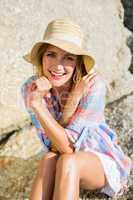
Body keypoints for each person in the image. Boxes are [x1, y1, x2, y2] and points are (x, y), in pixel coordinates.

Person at [21, 19, 132, 200]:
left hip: (99, 159)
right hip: (61, 156)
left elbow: (67, 147)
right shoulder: (31, 88)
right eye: (51, 54)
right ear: (42, 56)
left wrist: (39, 105)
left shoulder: (93, 85)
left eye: (68, 57)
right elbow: (53, 145)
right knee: (49, 159)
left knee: (67, 161)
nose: (58, 66)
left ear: (77, 63)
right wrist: (39, 102)